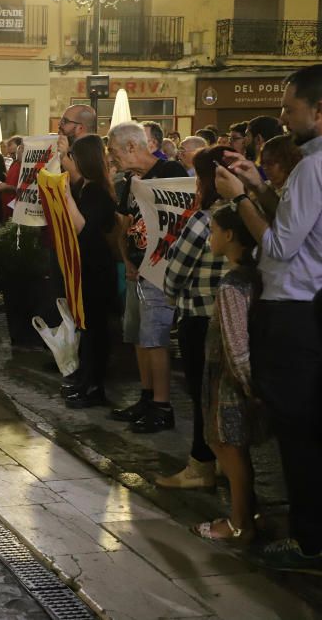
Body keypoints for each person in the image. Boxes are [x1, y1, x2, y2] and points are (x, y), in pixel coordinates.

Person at [214, 64, 322, 572]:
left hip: (295, 314)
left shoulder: (312, 168)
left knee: (297, 431)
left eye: (289, 108)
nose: (282, 118)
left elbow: (278, 245)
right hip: (311, 308)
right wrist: (260, 189)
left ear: (318, 111)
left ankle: (308, 539)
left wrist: (238, 198)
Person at [108, 121, 189, 433]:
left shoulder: (170, 173)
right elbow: (126, 222)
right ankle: (146, 396)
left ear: (132, 146)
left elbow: (179, 221)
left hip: (159, 269)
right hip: (136, 267)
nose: (112, 159)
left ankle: (162, 405)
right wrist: (127, 258)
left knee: (155, 339)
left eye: (115, 152)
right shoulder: (131, 179)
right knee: (139, 336)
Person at [189, 203, 264, 544]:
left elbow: (236, 345)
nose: (210, 237)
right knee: (232, 447)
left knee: (228, 447)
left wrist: (250, 387)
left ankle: (239, 522)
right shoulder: (254, 275)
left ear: (230, 235)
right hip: (235, 379)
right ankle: (248, 513)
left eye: (215, 231)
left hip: (229, 383)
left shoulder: (233, 285)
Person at [156, 146, 230, 489]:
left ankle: (201, 464)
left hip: (200, 316)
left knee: (202, 395)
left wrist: (173, 294)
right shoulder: (244, 213)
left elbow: (176, 272)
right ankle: (225, 463)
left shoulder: (206, 220)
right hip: (232, 317)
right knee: (222, 396)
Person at [60, 135, 118, 407]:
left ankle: (95, 387)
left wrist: (65, 197)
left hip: (96, 265)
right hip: (87, 263)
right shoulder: (88, 187)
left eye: (73, 155)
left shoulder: (97, 192)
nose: (69, 160)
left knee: (95, 329)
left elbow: (83, 226)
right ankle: (86, 380)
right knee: (87, 327)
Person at [0, 136, 23, 223]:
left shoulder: (25, 165)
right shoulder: (14, 163)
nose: (11, 156)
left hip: (17, 209)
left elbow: (24, 189)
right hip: (8, 206)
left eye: (14, 154)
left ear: (21, 148)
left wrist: (6, 187)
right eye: (10, 154)